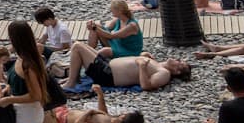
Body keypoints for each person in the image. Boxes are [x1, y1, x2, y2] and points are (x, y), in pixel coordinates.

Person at [58, 44, 188, 91]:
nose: (178, 59)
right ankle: (73, 77)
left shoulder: (164, 73)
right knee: (84, 47)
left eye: (180, 63)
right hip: (108, 66)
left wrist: (142, 66)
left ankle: (71, 82)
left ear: (176, 71)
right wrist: (145, 57)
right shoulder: (159, 65)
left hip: (108, 75)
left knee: (77, 47)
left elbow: (146, 86)